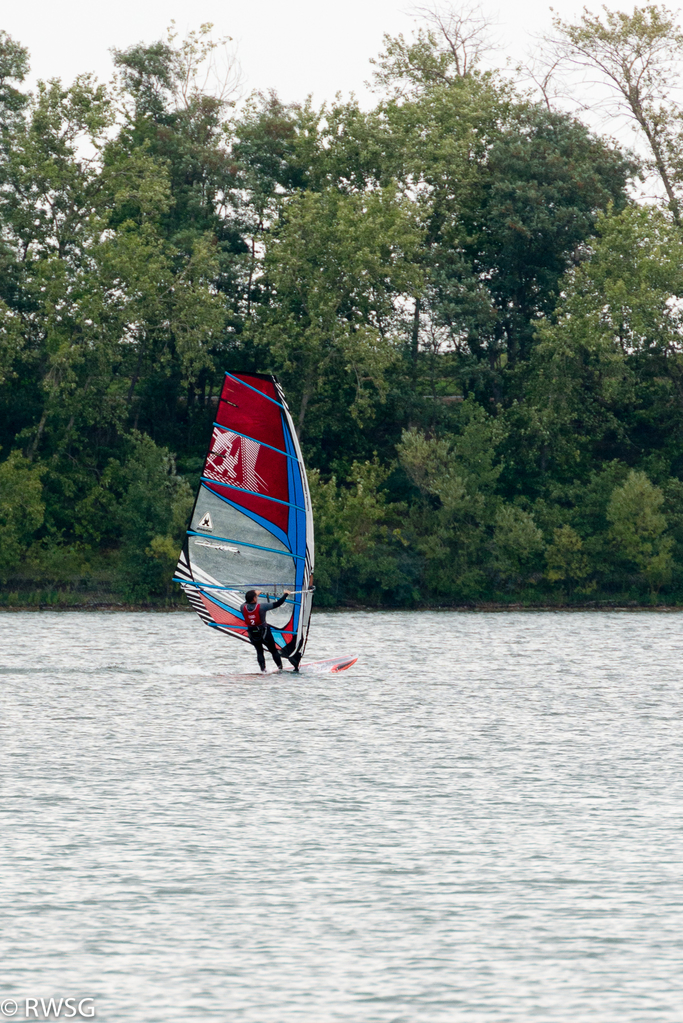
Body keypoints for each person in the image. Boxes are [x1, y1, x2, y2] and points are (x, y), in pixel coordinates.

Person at [241, 589, 299, 673]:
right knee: (273, 651)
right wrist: (285, 594)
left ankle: (263, 670)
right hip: (264, 633)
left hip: (252, 633)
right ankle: (280, 668)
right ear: (254, 598)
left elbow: (247, 602)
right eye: (256, 597)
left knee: (259, 651)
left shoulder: (243, 607)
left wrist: (254, 595)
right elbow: (278, 603)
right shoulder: (262, 607)